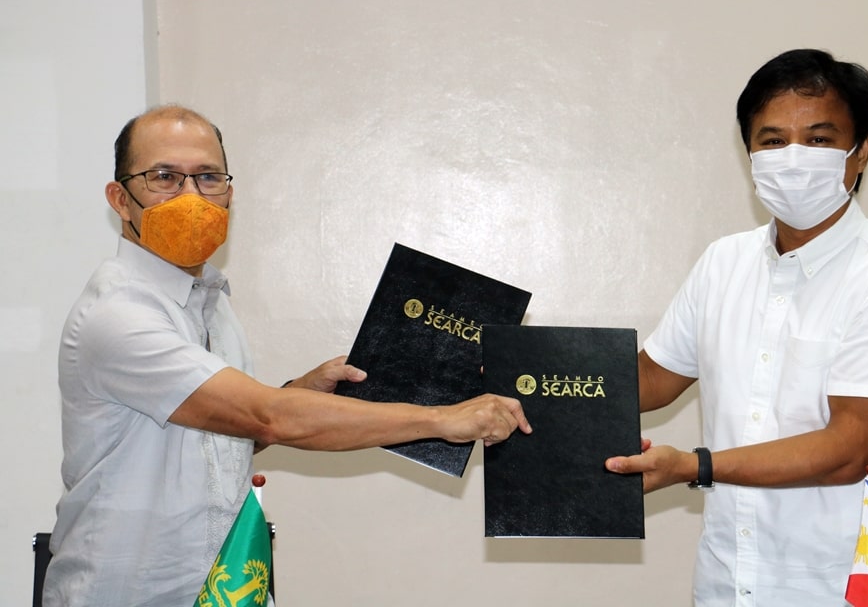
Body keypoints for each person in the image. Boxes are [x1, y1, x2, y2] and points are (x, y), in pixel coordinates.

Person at [44, 104, 532, 606]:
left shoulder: (211, 304)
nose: (191, 197)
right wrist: (442, 420)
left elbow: (222, 433)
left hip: (219, 591)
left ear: (229, 193)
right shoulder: (117, 314)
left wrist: (298, 393)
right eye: (164, 177)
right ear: (120, 200)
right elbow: (267, 419)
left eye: (208, 177)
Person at [605, 49, 868, 604]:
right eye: (771, 140)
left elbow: (849, 448)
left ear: (861, 154)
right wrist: (517, 372)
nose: (792, 158)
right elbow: (650, 380)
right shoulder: (724, 262)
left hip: (850, 581)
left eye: (818, 139)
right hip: (730, 579)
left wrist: (693, 466)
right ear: (749, 154)